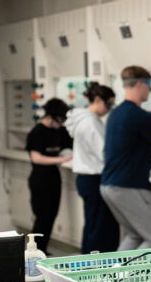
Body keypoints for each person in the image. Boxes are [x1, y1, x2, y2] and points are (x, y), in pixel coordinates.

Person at [100, 65, 151, 250]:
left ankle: (116, 278)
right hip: (128, 185)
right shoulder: (141, 116)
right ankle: (129, 279)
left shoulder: (115, 113)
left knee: (135, 236)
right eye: (149, 85)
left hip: (108, 185)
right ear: (140, 84)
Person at [66, 82, 120, 253]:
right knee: (99, 229)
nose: (110, 108)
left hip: (87, 180)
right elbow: (104, 153)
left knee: (94, 226)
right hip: (94, 180)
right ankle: (95, 270)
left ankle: (90, 267)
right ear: (97, 100)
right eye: (109, 104)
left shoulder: (86, 120)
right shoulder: (89, 123)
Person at [25, 98, 73, 254]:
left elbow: (70, 145)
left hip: (54, 178)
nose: (60, 124)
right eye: (59, 119)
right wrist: (60, 159)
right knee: (42, 217)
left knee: (52, 215)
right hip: (40, 180)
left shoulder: (60, 130)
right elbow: (36, 157)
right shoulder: (37, 132)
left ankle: (43, 250)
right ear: (50, 116)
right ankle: (35, 252)